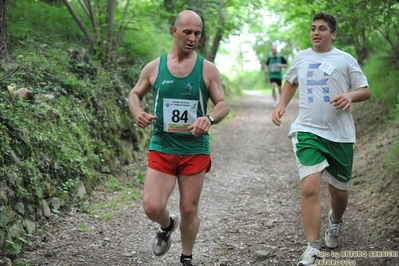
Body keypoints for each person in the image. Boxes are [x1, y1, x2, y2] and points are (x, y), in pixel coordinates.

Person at [128, 10, 230, 266]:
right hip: (163, 145)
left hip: (195, 149)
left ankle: (186, 258)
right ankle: (167, 225)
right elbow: (134, 94)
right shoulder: (155, 67)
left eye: (197, 33)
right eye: (187, 32)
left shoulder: (207, 69)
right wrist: (138, 112)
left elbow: (222, 105)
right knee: (152, 206)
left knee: (189, 208)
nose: (193, 38)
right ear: (175, 31)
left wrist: (209, 118)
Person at [271, 12, 371, 266]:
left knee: (338, 192)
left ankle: (335, 221)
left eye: (322, 28)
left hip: (340, 134)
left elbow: (365, 90)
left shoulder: (345, 59)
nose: (316, 32)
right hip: (308, 130)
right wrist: (282, 104)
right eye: (313, 28)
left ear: (333, 34)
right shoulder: (302, 57)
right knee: (309, 187)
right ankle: (312, 247)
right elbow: (291, 81)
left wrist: (349, 96)